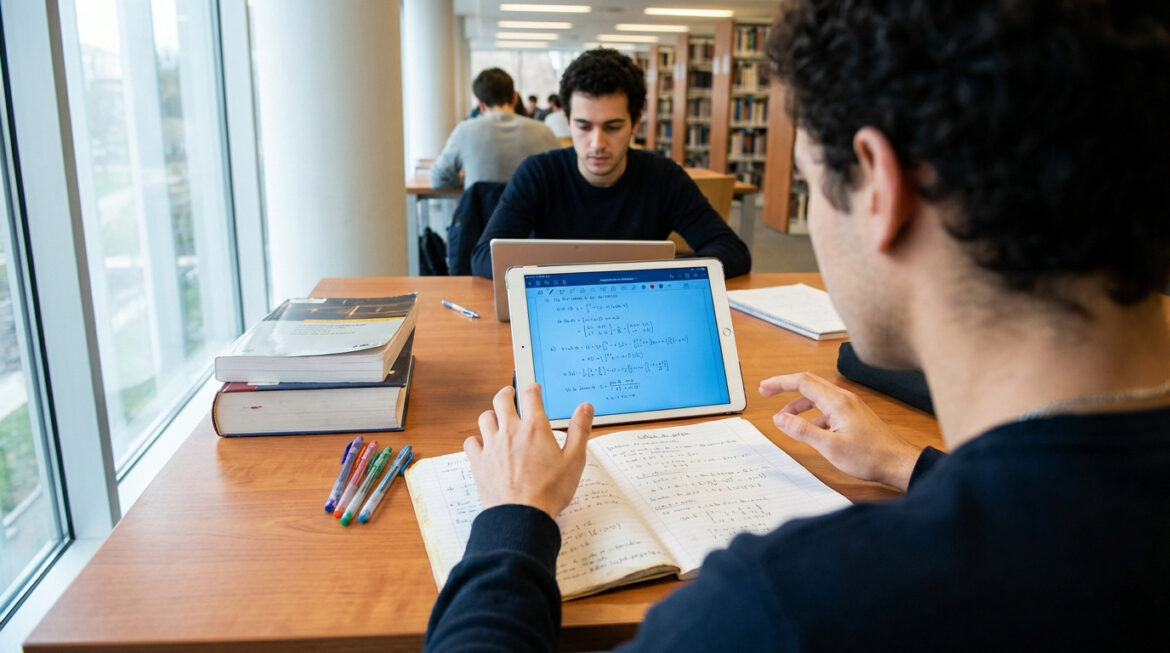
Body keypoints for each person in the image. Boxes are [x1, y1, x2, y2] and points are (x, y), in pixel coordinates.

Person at [425, 0, 1170, 650]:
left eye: (811, 184)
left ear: (878, 187)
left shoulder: (785, 605)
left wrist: (513, 522)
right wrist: (909, 465)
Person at [469, 49, 751, 279]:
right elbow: (483, 258)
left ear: (635, 122)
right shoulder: (539, 173)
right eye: (583, 126)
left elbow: (733, 252)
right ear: (568, 121)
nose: (597, 143)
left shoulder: (663, 177)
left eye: (613, 127)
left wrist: (657, 275)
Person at [429, 68, 559, 190]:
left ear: (480, 104)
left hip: (483, 213)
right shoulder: (544, 131)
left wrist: (463, 180)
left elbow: (438, 179)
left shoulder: (465, 131)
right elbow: (561, 178)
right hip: (533, 213)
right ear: (514, 98)